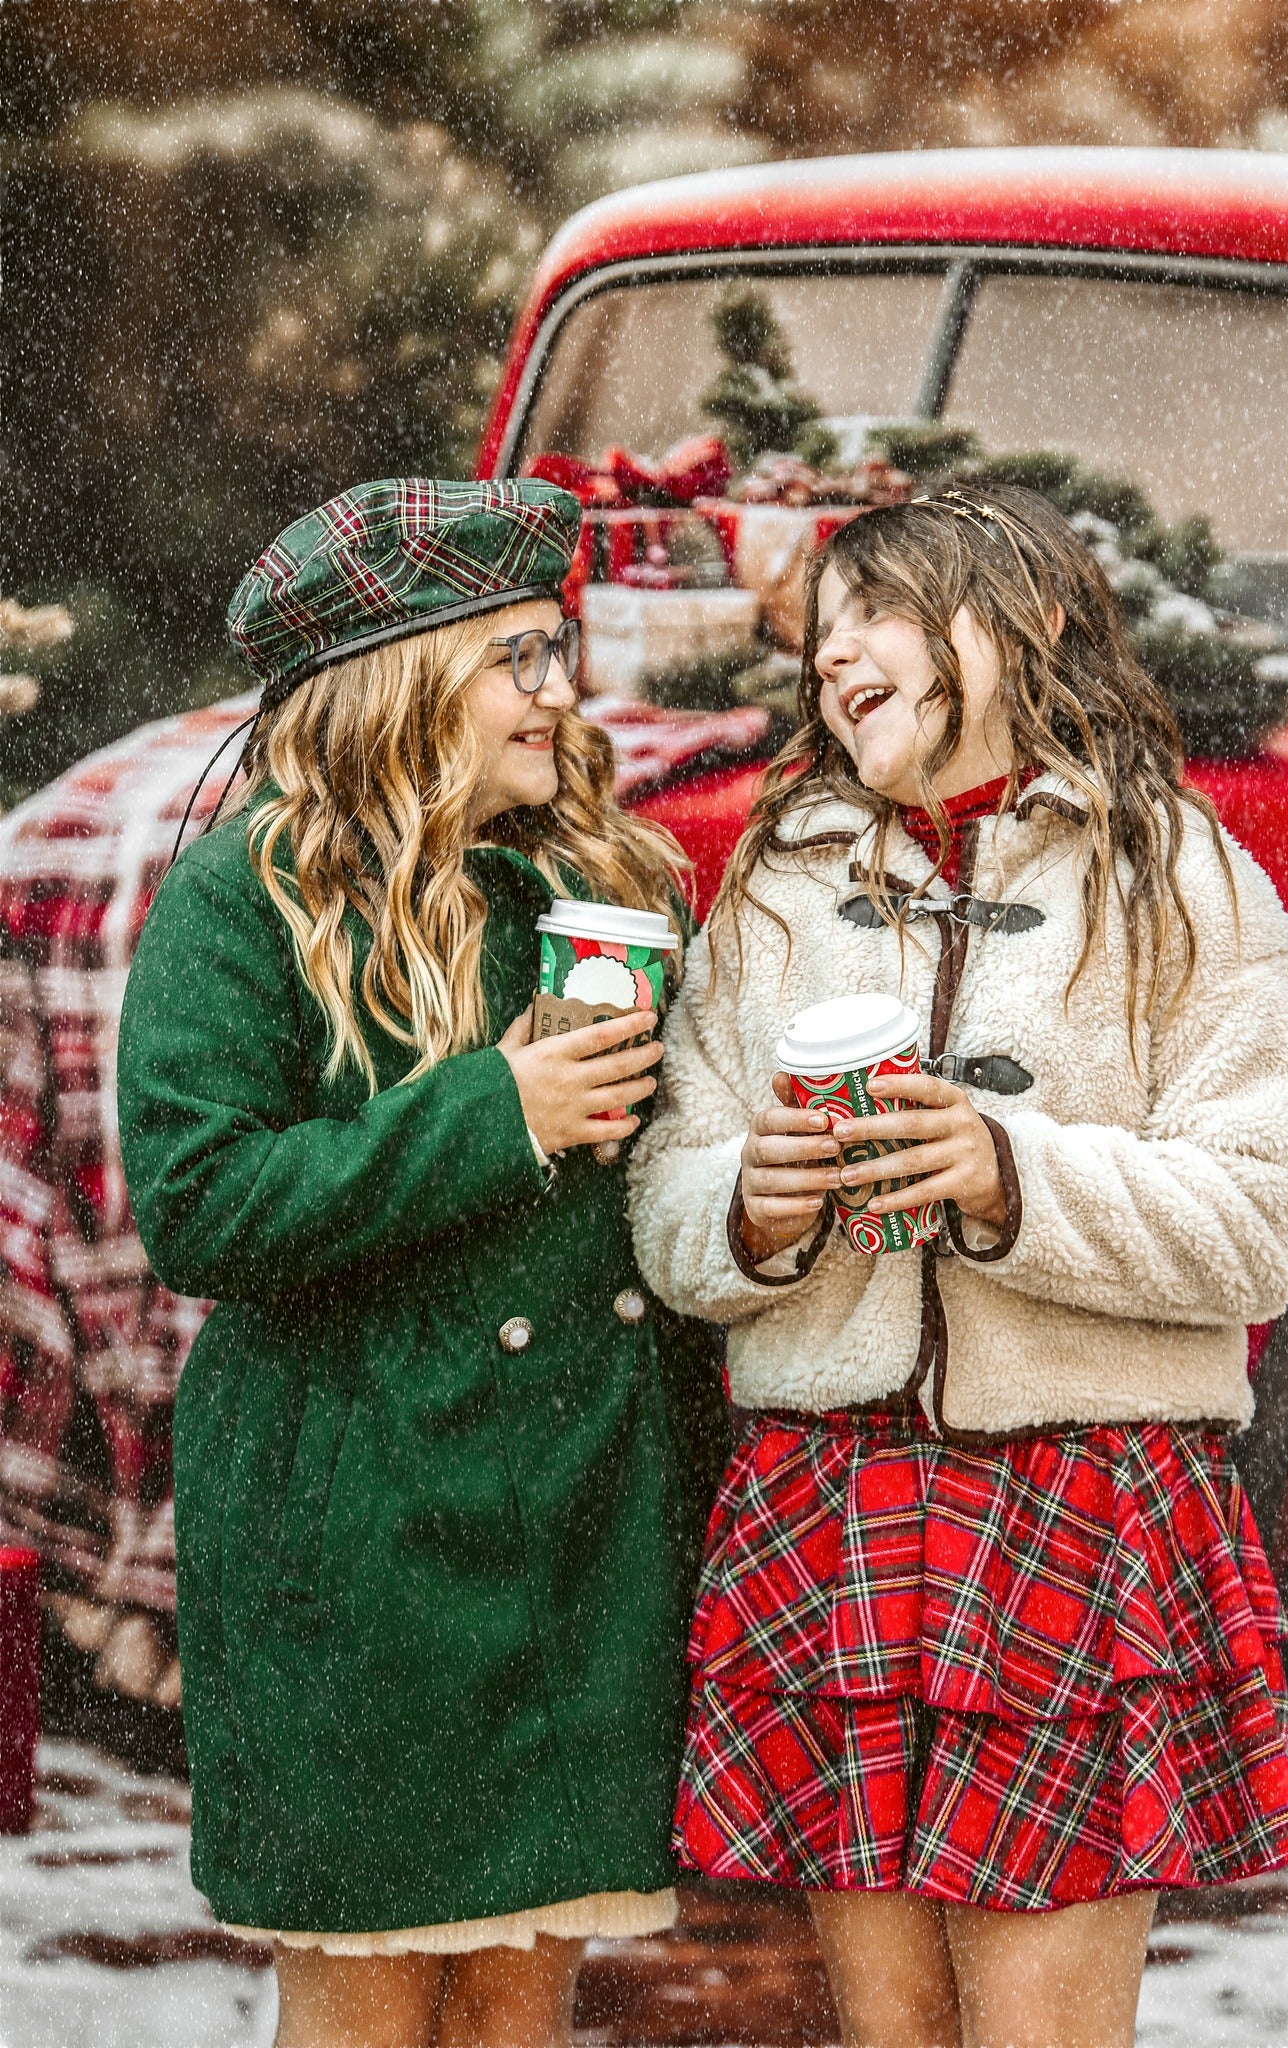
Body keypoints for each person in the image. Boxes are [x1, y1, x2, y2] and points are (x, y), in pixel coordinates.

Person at [629, 483, 1288, 2048]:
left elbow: (1272, 1218)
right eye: (818, 642)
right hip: (833, 1503)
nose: (832, 660)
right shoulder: (774, 890)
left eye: (874, 616)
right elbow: (671, 1213)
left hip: (1082, 1506)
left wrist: (1013, 1178)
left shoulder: (1183, 880)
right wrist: (756, 1204)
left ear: (1017, 629)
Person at [117, 478, 724, 2048]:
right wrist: (493, 1112)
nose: (558, 691)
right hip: (362, 1534)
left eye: (557, 651)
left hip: (583, 1519)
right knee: (369, 2009)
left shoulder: (600, 877)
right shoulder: (248, 893)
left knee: (523, 2002)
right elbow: (199, 1202)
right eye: (519, 655)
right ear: (403, 680)